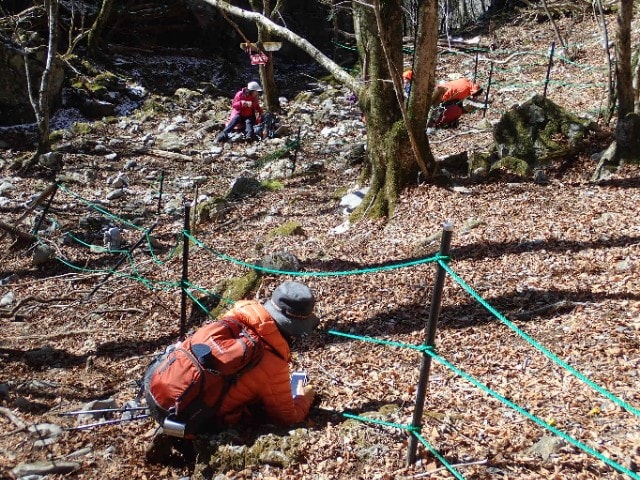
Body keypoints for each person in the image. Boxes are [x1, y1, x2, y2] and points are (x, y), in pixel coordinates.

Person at [145, 281, 319, 462]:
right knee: (253, 416)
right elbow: (287, 417)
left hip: (157, 389)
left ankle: (173, 429)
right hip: (191, 419)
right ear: (294, 328)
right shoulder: (273, 361)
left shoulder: (235, 317)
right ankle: (189, 441)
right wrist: (305, 396)